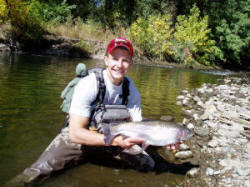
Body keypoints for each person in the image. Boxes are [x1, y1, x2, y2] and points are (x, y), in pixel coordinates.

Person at [10, 37, 180, 185]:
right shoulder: (90, 83)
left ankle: (92, 159)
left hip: (115, 138)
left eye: (125, 60)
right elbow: (75, 133)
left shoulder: (131, 90)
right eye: (115, 59)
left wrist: (162, 138)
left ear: (131, 63)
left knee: (148, 165)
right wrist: (115, 142)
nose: (119, 65)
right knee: (37, 173)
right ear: (106, 60)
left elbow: (138, 127)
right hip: (80, 140)